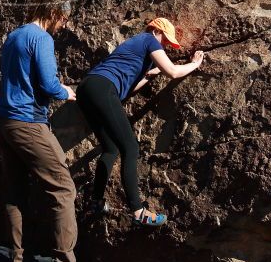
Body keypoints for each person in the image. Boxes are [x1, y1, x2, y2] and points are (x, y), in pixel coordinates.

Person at [0, 0, 95, 262]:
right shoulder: (41, 38)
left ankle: (17, 260)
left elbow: (20, 77)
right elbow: (49, 85)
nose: (63, 25)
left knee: (15, 192)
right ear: (52, 12)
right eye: (62, 18)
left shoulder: (14, 35)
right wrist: (66, 91)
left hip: (4, 120)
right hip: (28, 123)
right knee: (63, 188)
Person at [76, 18, 204, 227]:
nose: (164, 47)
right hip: (103, 88)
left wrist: (151, 74)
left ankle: (95, 200)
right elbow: (172, 71)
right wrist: (194, 64)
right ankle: (138, 211)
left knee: (110, 149)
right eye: (165, 41)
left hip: (88, 89)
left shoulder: (134, 46)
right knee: (131, 148)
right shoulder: (148, 39)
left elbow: (127, 90)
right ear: (156, 31)